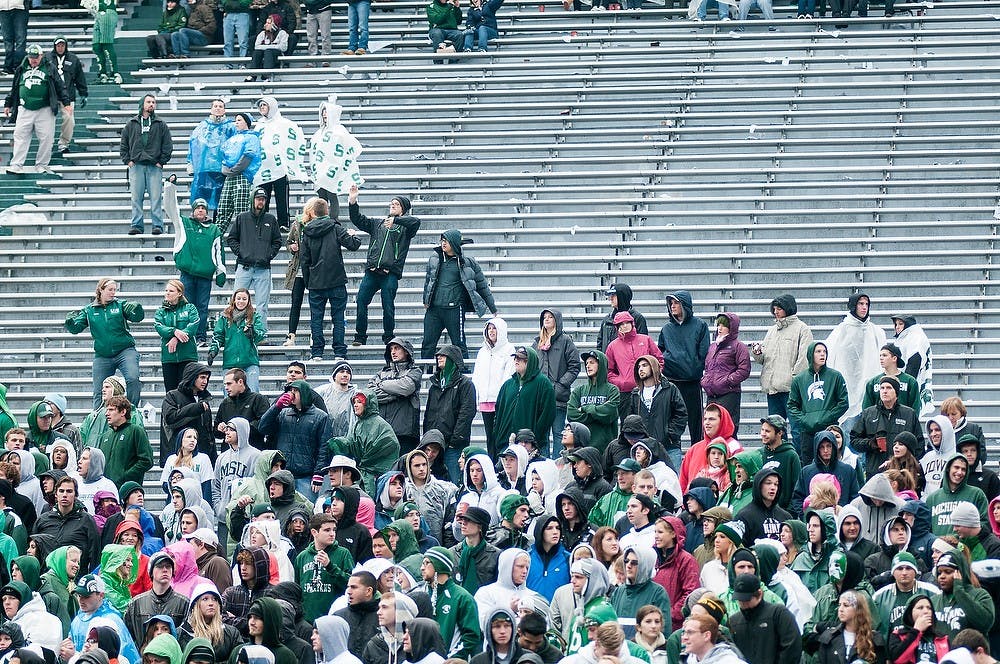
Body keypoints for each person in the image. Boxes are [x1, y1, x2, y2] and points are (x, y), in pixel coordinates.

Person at [348, 186, 421, 346]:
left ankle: (388, 336)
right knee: (361, 301)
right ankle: (360, 336)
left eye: (397, 204)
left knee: (388, 305)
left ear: (403, 209)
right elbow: (357, 219)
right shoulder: (377, 223)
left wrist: (397, 220)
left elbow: (416, 222)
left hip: (390, 273)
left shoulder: (405, 228)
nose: (392, 205)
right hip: (372, 271)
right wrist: (353, 201)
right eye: (392, 203)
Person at [300, 197, 363, 361]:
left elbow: (304, 260)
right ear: (327, 211)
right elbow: (354, 245)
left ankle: (317, 352)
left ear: (313, 212)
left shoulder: (307, 231)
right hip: (336, 280)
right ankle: (339, 352)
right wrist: (354, 235)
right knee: (338, 317)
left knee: (316, 318)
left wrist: (308, 281)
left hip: (315, 282)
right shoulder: (335, 227)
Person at [65, 279, 144, 410]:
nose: (113, 293)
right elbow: (75, 329)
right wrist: (70, 323)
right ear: (101, 290)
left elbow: (137, 318)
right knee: (98, 391)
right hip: (103, 354)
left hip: (125, 350)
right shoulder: (89, 310)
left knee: (133, 379)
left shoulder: (120, 305)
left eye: (115, 290)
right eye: (110, 289)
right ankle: (97, 417)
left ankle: (131, 410)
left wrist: (138, 309)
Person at [421, 229, 498, 360]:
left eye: (446, 241)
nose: (443, 243)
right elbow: (428, 281)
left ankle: (463, 374)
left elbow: (482, 285)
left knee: (459, 344)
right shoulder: (435, 258)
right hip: (434, 309)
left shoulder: (468, 262)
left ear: (455, 243)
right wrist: (426, 300)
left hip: (455, 310)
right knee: (428, 344)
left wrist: (493, 308)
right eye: (442, 240)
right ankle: (423, 374)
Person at [750, 293, 813, 448]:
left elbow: (804, 359)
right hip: (772, 389)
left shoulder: (802, 329)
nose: (776, 311)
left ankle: (799, 461)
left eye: (779, 308)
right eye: (775, 309)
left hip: (791, 390)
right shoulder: (772, 330)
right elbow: (764, 358)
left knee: (797, 429)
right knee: (775, 430)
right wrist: (757, 352)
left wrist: (793, 380)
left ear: (788, 308)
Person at [4, 43, 69, 176]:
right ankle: (16, 165)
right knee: (20, 135)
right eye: (31, 57)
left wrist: (66, 102)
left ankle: (42, 165)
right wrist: (8, 103)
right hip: (24, 107)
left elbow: (59, 85)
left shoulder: (50, 68)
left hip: (45, 108)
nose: (33, 60)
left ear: (41, 56)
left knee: (46, 138)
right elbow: (15, 87)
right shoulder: (21, 68)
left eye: (36, 57)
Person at [825, 293, 887, 428]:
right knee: (848, 427)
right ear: (853, 306)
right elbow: (829, 356)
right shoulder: (841, 330)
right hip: (848, 384)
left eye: (866, 304)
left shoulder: (875, 331)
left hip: (869, 386)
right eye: (860, 304)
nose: (864, 307)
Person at [227, 188, 281, 339]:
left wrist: (268, 255)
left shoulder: (271, 219)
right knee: (237, 302)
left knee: (262, 305)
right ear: (252, 200)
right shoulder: (242, 218)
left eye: (263, 199)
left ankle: (260, 334)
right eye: (258, 198)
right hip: (244, 267)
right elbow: (231, 238)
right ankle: (236, 332)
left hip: (263, 269)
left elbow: (277, 241)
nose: (261, 201)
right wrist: (241, 252)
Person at [656, 290, 709, 444]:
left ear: (684, 304)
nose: (672, 306)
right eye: (671, 303)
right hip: (672, 382)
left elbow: (704, 353)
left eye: (676, 303)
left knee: (696, 423)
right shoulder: (666, 329)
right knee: (672, 422)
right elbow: (660, 352)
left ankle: (698, 454)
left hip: (692, 383)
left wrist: (693, 368)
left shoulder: (700, 325)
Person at [173, 199, 227, 347]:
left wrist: (220, 272)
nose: (201, 210)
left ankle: (201, 336)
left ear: (207, 212)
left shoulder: (214, 229)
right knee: (186, 306)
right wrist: (170, 186)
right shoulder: (185, 224)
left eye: (203, 208)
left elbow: (219, 252)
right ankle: (187, 335)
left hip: (205, 276)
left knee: (202, 307)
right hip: (187, 273)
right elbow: (171, 208)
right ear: (193, 210)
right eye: (198, 208)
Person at [850, 376, 924, 481]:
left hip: (901, 476)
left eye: (889, 388)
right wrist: (870, 444)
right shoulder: (868, 414)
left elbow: (919, 445)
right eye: (882, 388)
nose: (884, 391)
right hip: (875, 473)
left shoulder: (909, 414)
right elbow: (854, 440)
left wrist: (903, 464)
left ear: (896, 392)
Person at [329, 390, 400, 495]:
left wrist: (367, 460)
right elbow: (351, 444)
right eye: (354, 402)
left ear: (368, 404)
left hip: (377, 477)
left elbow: (390, 444)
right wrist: (339, 443)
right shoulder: (357, 425)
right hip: (362, 475)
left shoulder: (380, 424)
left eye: (359, 402)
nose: (356, 405)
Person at [120, 95, 172, 236]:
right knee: (136, 197)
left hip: (154, 166)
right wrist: (128, 160)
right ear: (142, 104)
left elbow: (167, 144)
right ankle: (137, 225)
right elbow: (124, 143)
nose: (151, 104)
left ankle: (157, 225)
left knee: (155, 197)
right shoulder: (131, 123)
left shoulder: (160, 124)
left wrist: (161, 162)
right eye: (148, 102)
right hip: (136, 165)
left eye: (153, 102)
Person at [532, 309, 581, 454]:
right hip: (540, 398)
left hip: (558, 397)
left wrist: (560, 386)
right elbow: (532, 366)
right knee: (542, 435)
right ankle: (544, 465)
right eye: (544, 317)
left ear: (557, 321)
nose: (546, 320)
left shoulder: (565, 340)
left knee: (559, 433)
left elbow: (574, 366)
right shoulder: (537, 342)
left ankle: (559, 464)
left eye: (550, 317)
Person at [420, 547, 482, 659]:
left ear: (439, 565)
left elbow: (471, 636)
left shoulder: (462, 597)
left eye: (427, 563)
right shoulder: (420, 594)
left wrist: (451, 659)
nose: (422, 568)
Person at [493, 346, 556, 453]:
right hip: (506, 444)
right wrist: (498, 435)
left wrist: (534, 438)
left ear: (530, 362)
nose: (516, 361)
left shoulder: (543, 383)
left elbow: (548, 415)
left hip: (531, 446)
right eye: (515, 358)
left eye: (521, 358)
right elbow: (498, 412)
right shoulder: (508, 385)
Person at [728, 572, 801, 663]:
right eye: (740, 599)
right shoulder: (734, 622)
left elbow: (792, 648)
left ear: (759, 594)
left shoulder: (778, 614)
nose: (743, 603)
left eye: (747, 599)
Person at [369, 338, 423, 456]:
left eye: (397, 348)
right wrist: (395, 394)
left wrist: (381, 385)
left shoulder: (415, 371)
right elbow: (371, 394)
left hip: (405, 433)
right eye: (391, 349)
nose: (393, 352)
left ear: (406, 352)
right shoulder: (381, 373)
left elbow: (406, 388)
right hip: (382, 432)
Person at [471, 317, 515, 458]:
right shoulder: (482, 352)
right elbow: (477, 376)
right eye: (489, 328)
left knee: (500, 435)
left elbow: (508, 376)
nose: (491, 331)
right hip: (485, 400)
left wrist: (503, 397)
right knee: (489, 436)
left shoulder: (509, 349)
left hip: (500, 401)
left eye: (494, 328)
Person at [701, 313, 751, 434]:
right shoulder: (713, 347)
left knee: (727, 430)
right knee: (710, 430)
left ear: (732, 327)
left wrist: (728, 381)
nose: (720, 328)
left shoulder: (739, 347)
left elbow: (744, 370)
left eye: (724, 325)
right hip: (711, 395)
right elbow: (708, 367)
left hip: (729, 394)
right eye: (719, 325)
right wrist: (705, 381)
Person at [208, 289, 265, 391]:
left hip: (250, 361)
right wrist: (213, 351)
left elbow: (261, 336)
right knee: (229, 395)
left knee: (253, 392)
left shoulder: (254, 316)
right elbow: (218, 336)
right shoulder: (224, 317)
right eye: (238, 298)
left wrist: (252, 332)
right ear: (234, 300)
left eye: (244, 299)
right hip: (230, 362)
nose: (241, 301)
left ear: (248, 301)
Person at [567, 350, 620, 456]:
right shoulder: (579, 390)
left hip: (605, 449)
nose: (588, 366)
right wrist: (598, 414)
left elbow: (609, 414)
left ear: (601, 365)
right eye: (586, 363)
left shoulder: (612, 390)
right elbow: (571, 414)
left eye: (592, 362)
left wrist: (584, 409)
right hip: (582, 450)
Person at [161, 363, 215, 466]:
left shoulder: (204, 399)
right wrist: (195, 408)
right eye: (202, 377)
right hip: (178, 455)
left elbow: (209, 433)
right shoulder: (172, 396)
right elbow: (170, 418)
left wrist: (212, 456)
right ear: (192, 377)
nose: (205, 381)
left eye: (207, 378)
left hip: (201, 456)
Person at [216, 113, 261, 233]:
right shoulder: (232, 139)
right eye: (235, 120)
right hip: (230, 177)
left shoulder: (252, 138)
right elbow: (223, 155)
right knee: (223, 208)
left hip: (242, 176)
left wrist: (234, 169)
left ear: (246, 122)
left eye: (239, 120)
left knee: (241, 209)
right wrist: (226, 169)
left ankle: (245, 238)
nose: (236, 123)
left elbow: (249, 155)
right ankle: (216, 238)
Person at [155, 280, 200, 392]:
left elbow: (193, 325)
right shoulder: (161, 311)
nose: (167, 293)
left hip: (188, 356)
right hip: (168, 358)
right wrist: (174, 331)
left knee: (187, 391)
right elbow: (159, 327)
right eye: (166, 290)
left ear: (179, 293)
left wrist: (176, 337)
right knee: (171, 392)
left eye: (171, 291)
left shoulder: (190, 308)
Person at [47, 37, 87, 156]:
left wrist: (83, 93)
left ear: (66, 46)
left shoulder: (73, 59)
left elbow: (80, 78)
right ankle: (47, 144)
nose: (60, 48)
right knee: (47, 121)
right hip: (51, 95)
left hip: (68, 95)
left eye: (62, 45)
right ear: (54, 46)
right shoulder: (47, 58)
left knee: (69, 120)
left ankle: (63, 143)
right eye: (58, 45)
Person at [891, 314, 934, 416]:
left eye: (901, 324)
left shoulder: (915, 338)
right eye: (896, 324)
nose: (897, 327)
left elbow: (914, 363)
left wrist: (905, 384)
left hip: (910, 382)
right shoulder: (908, 337)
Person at [888, 594, 951, 662]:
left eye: (929, 608)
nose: (926, 611)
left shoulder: (943, 638)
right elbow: (898, 660)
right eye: (920, 608)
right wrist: (916, 631)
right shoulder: (898, 635)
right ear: (910, 612)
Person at [679, 614, 746, 664]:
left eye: (690, 632)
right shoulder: (690, 660)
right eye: (684, 633)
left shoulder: (729, 661)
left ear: (706, 636)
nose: (684, 637)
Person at [245, 15, 286, 81]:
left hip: (276, 55)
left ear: (274, 24)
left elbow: (283, 47)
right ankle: (252, 75)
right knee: (256, 52)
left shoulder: (282, 33)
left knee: (268, 51)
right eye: (266, 22)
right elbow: (257, 46)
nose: (265, 25)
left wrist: (266, 47)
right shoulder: (262, 33)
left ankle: (266, 75)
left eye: (268, 23)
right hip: (264, 53)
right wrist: (273, 46)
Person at [0, 0, 26, 76]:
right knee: (8, 39)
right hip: (3, 8)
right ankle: (8, 66)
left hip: (19, 7)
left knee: (20, 39)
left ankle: (18, 66)